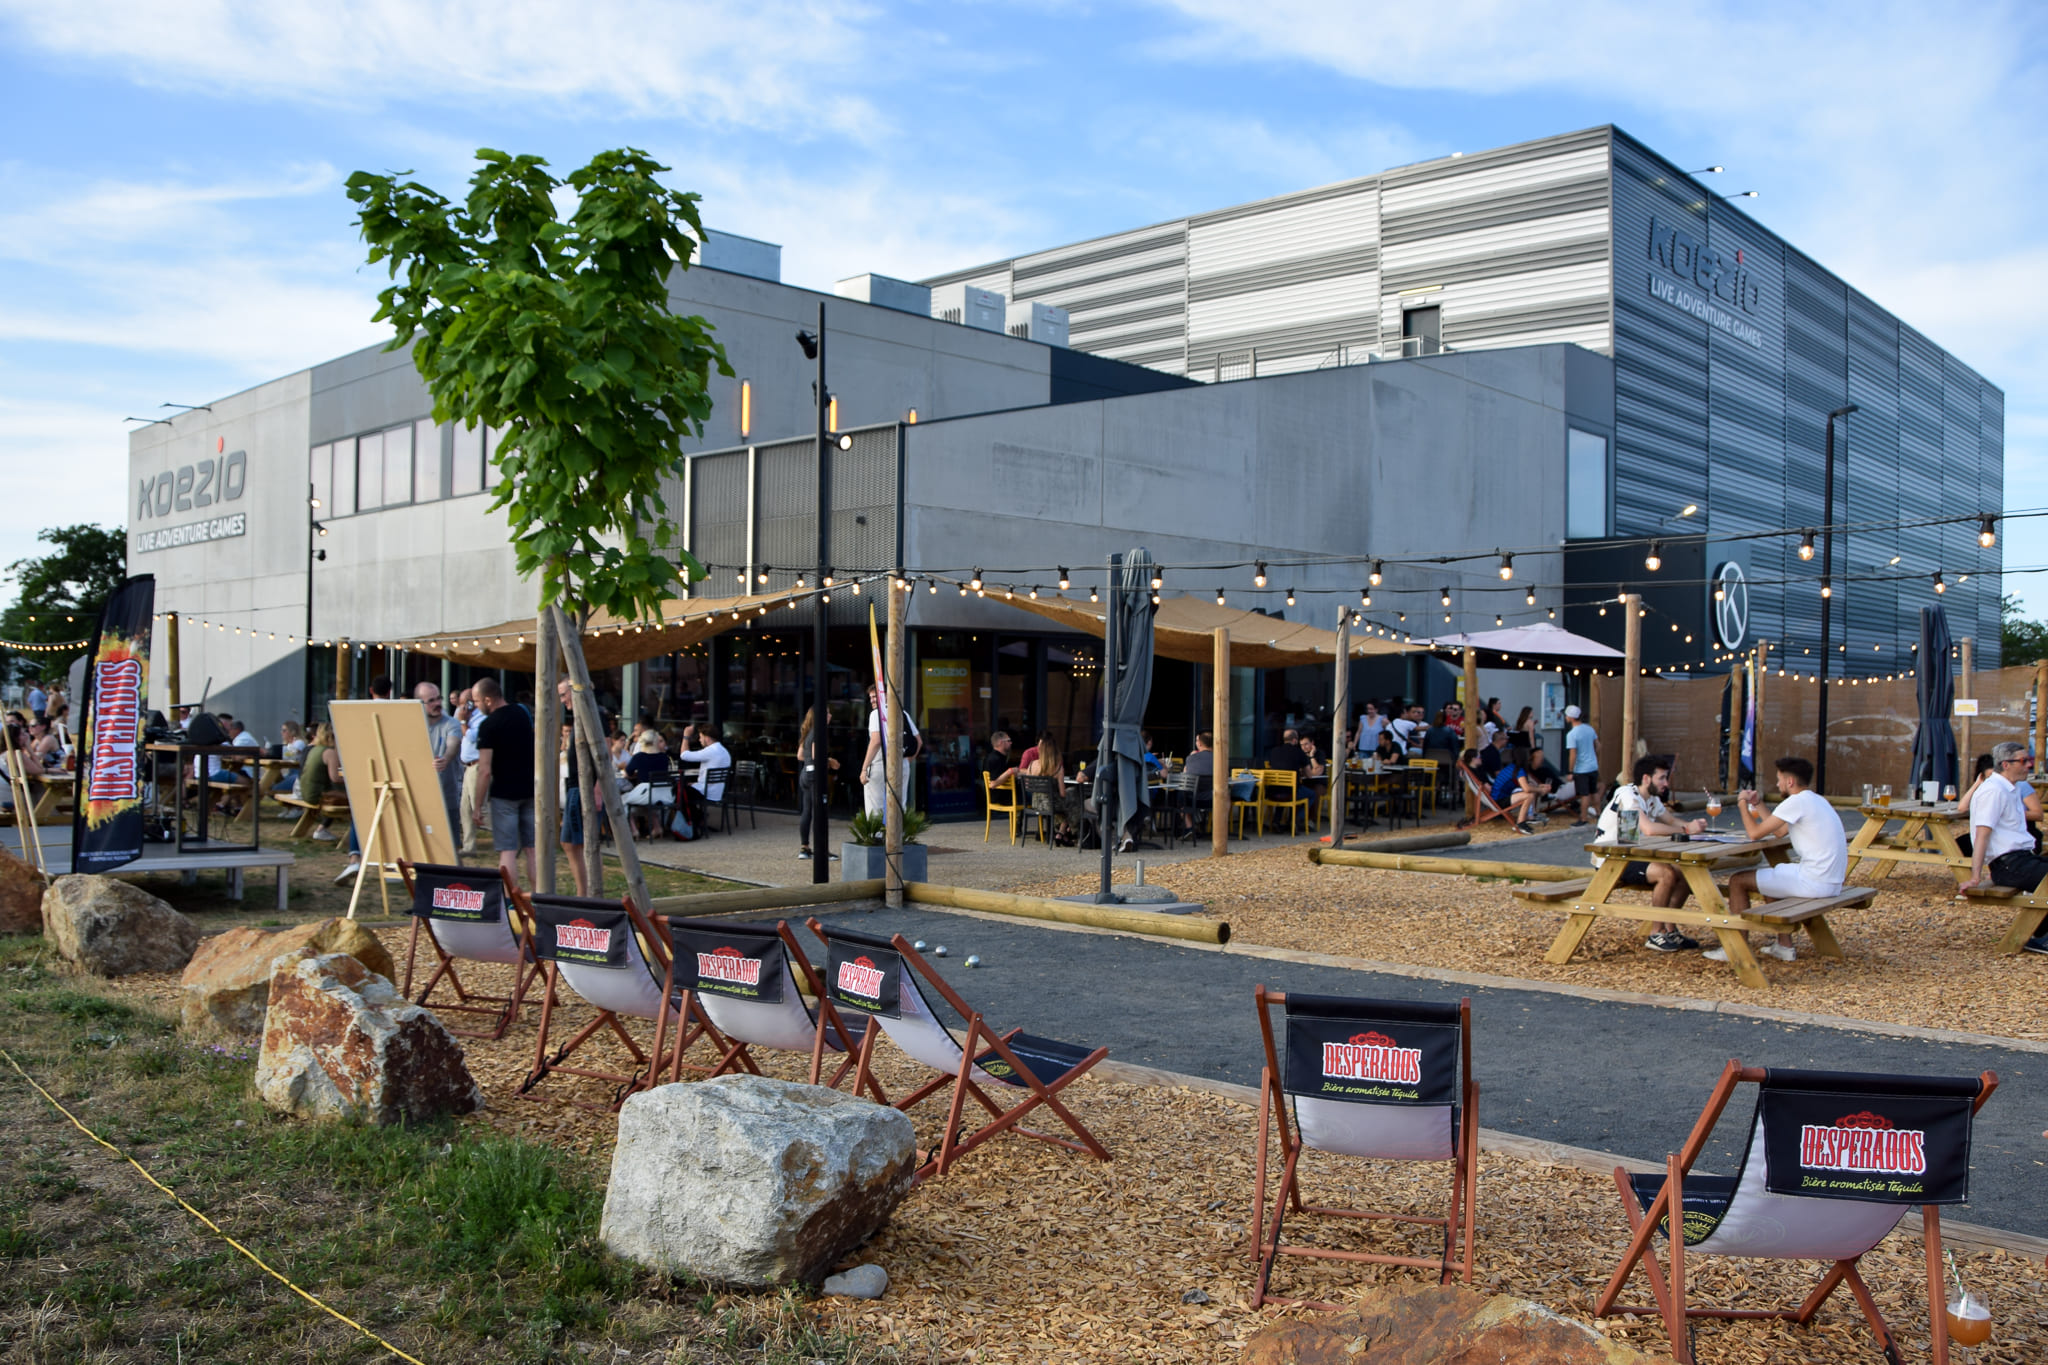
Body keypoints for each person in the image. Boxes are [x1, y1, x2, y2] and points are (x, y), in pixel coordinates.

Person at [1714, 755, 1848, 963]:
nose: (1777, 785)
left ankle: (1736, 948)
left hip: (1814, 882)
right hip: (1831, 882)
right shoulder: (1817, 800)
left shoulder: (1796, 801)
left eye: (1779, 780)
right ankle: (1784, 946)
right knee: (1773, 876)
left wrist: (1741, 803)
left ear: (1790, 781)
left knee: (1737, 880)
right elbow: (1779, 831)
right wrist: (1758, 804)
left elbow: (1754, 833)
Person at [1592, 755, 1707, 951]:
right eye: (1661, 778)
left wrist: (1693, 827)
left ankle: (1669, 929)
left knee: (1685, 871)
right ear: (1646, 778)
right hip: (1611, 860)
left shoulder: (1651, 798)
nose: (1666, 783)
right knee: (1666, 874)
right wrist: (1687, 829)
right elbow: (1649, 829)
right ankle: (1655, 933)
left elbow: (1670, 821)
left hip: (1630, 855)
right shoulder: (1627, 795)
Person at [1960, 742, 2048, 954]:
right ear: (2006, 764)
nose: (2029, 765)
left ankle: (2039, 933)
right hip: (2009, 865)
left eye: (2029, 760)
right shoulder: (1993, 791)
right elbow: (1982, 835)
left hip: (2022, 859)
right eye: (2023, 761)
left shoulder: (2010, 788)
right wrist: (1975, 877)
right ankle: (2040, 937)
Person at [471, 677, 535, 889]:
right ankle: (541, 897)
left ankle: (509, 900)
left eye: (477, 701)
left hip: (504, 793)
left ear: (488, 700)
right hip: (529, 788)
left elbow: (484, 770)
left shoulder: (488, 725)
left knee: (507, 851)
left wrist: (477, 805)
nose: (475, 706)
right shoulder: (523, 712)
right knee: (532, 849)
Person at [554, 678, 611, 898]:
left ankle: (591, 891)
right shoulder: (579, 716)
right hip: (575, 787)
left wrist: (597, 789)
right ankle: (583, 891)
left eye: (563, 695)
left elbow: (605, 753)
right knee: (569, 842)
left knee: (587, 842)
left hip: (585, 787)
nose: (562, 700)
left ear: (574, 691)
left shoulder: (594, 713)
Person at [1957, 751, 2042, 855]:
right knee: (1958, 845)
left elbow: (2038, 814)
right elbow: (1962, 808)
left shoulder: (2020, 785)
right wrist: (1977, 783)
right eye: (1989, 777)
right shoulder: (1986, 789)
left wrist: (2008, 813)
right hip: (1993, 835)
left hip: (2019, 834)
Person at [860, 681, 922, 817]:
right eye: (870, 698)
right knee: (899, 806)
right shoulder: (902, 713)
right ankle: (899, 831)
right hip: (901, 764)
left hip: (880, 764)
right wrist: (907, 761)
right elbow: (919, 741)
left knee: (875, 808)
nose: (872, 700)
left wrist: (864, 768)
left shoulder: (876, 714)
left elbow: (876, 741)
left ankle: (879, 832)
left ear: (886, 696)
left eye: (875, 697)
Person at [415, 681, 463, 834]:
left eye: (438, 698)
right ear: (419, 703)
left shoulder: (452, 723)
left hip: (447, 797)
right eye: (431, 701)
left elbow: (453, 744)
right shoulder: (414, 725)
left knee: (451, 844)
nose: (437, 703)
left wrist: (445, 759)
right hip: (419, 799)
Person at [796, 709, 839, 860]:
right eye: (827, 713)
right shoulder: (818, 732)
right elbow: (817, 756)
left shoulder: (807, 732)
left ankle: (805, 848)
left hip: (805, 775)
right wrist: (830, 761)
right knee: (820, 813)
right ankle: (822, 850)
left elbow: (800, 755)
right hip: (815, 776)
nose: (830, 715)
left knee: (807, 811)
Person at [678, 721, 732, 828]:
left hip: (706, 792)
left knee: (679, 791)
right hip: (717, 791)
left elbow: (684, 755)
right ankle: (697, 818)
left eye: (700, 737)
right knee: (685, 789)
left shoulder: (710, 751)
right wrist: (695, 784)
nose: (699, 740)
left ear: (707, 738)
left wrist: (686, 736)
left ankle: (693, 820)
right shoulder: (724, 751)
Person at [622, 731, 672, 841]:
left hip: (646, 791)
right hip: (663, 792)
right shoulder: (664, 757)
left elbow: (627, 773)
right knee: (648, 804)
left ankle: (634, 830)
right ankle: (657, 828)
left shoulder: (639, 757)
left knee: (622, 801)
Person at [456, 687, 485, 856]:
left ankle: (511, 839)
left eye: (462, 704)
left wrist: (462, 722)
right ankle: (469, 846)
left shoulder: (481, 717)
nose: (460, 708)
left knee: (478, 807)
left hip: (478, 765)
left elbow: (472, 737)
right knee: (465, 809)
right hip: (468, 767)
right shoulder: (469, 717)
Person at [1488, 743, 1540, 833]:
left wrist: (1537, 787)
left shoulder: (1511, 767)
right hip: (1498, 801)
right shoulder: (1519, 770)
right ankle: (1520, 823)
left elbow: (1525, 785)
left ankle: (1530, 816)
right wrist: (1540, 789)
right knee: (1529, 795)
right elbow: (1527, 789)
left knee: (1530, 790)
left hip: (1496, 799)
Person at [1564, 705, 1600, 824]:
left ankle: (1583, 818)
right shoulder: (1589, 728)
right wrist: (1592, 755)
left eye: (1566, 715)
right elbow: (1598, 746)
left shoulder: (1571, 734)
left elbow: (1573, 754)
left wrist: (1570, 771)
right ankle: (1599, 814)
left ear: (1571, 718)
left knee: (1584, 794)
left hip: (1581, 768)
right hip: (1593, 765)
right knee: (1594, 791)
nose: (1565, 717)